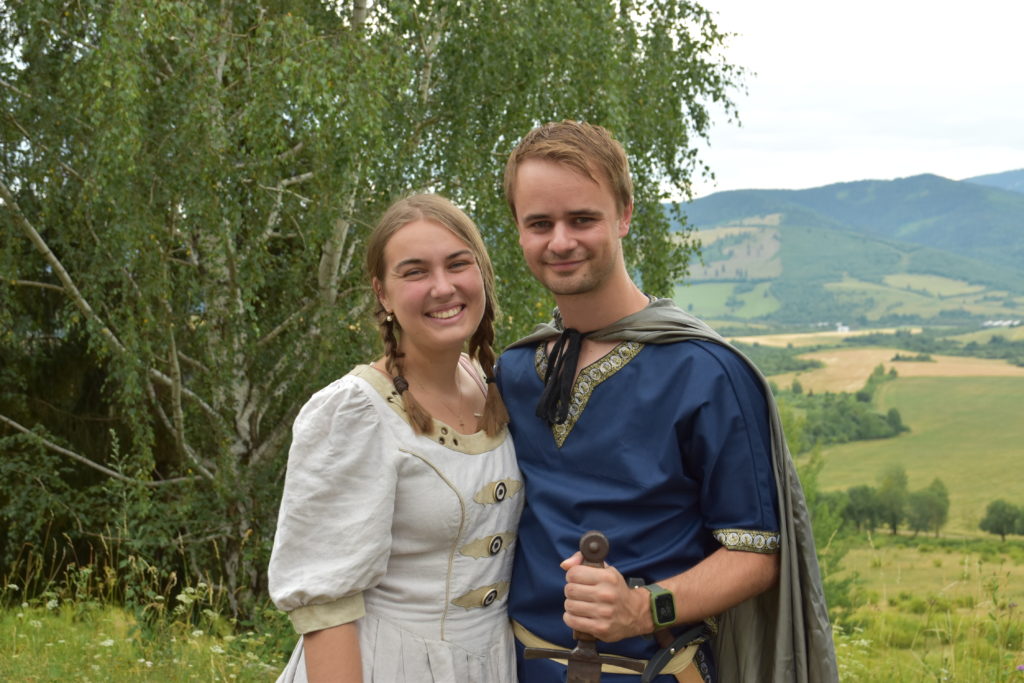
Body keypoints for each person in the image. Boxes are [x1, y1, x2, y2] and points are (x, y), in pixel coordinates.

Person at [495, 121, 837, 682]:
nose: (560, 241)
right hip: (514, 668)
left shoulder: (706, 372)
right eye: (540, 224)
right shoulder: (514, 371)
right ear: (518, 230)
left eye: (582, 219)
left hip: (655, 671)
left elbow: (756, 555)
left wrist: (641, 608)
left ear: (624, 215)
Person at [268, 193, 523, 683]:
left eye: (457, 264)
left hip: (492, 663)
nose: (442, 287)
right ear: (382, 293)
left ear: (482, 273)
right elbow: (327, 606)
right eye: (415, 272)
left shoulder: (489, 382)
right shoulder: (353, 412)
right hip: (387, 664)